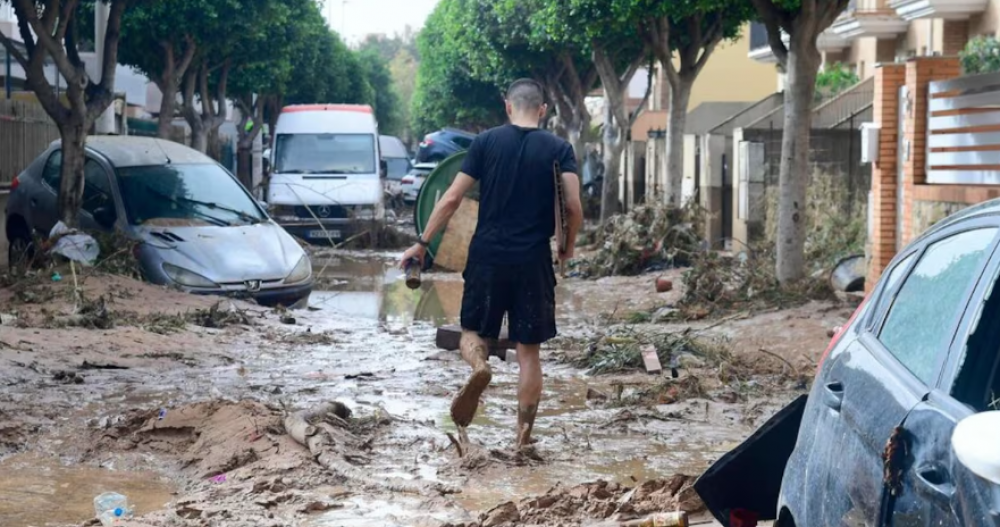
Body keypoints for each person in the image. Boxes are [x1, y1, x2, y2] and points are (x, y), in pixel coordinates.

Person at [399, 79, 584, 450]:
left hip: (486, 256)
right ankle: (522, 437)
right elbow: (573, 206)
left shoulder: (485, 143)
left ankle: (479, 367)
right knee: (529, 351)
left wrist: (422, 243)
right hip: (532, 260)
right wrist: (567, 247)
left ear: (507, 106)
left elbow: (452, 197)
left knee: (472, 332)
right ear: (543, 110)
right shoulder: (559, 149)